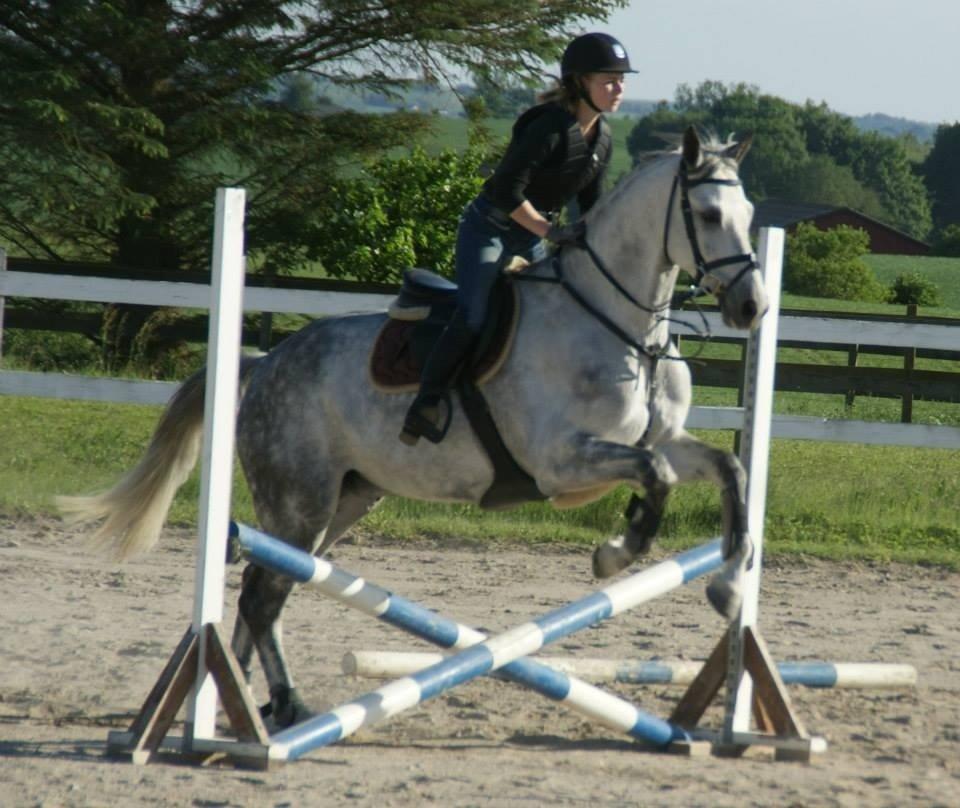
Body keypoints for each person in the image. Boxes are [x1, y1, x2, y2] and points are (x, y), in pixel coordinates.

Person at [400, 32, 634, 445]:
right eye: (608, 80)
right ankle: (426, 402)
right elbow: (506, 191)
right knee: (473, 314)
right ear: (579, 82)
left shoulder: (603, 140)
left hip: (531, 236)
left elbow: (591, 208)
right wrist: (551, 232)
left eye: (621, 80)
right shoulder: (549, 127)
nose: (618, 89)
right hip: (489, 229)